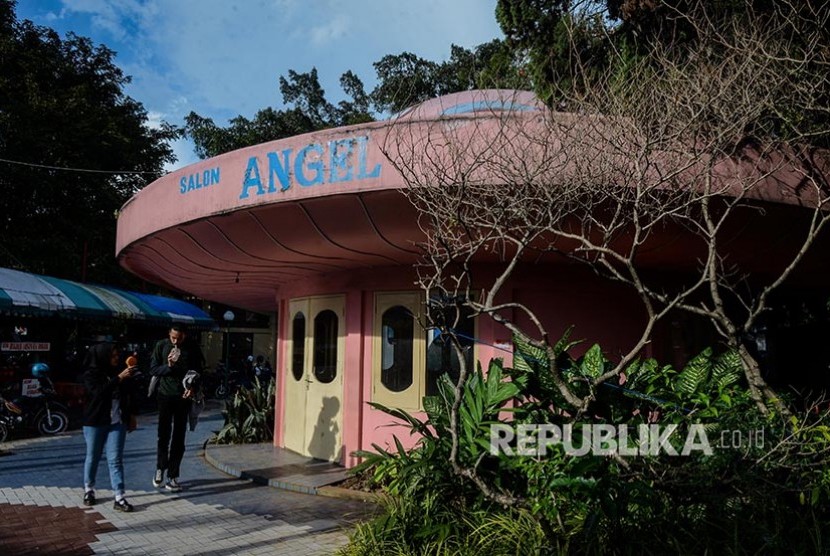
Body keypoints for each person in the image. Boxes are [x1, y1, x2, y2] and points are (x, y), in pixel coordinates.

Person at [82, 343, 137, 512]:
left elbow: (129, 395)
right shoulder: (91, 374)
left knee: (115, 459)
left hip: (117, 422)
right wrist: (118, 378)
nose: (116, 358)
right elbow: (98, 393)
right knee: (93, 456)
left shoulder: (121, 371)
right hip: (95, 422)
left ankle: (119, 496)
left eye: (116, 355)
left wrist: (131, 416)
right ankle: (89, 489)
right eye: (112, 356)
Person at [149, 324, 204, 492]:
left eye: (178, 338)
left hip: (183, 397)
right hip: (165, 395)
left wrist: (192, 387)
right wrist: (169, 366)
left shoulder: (192, 348)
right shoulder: (162, 346)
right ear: (169, 334)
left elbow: (199, 371)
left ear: (184, 336)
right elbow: (153, 368)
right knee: (163, 434)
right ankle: (160, 468)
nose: (175, 341)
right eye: (173, 337)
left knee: (179, 437)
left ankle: (173, 476)